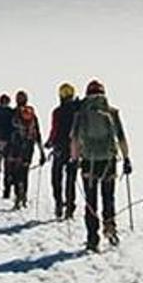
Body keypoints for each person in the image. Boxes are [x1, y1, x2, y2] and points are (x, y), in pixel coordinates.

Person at [69, 80, 130, 252]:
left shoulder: (81, 114)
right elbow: (121, 137)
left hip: (89, 162)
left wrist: (74, 160)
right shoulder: (111, 112)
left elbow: (74, 139)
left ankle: (92, 237)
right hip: (109, 161)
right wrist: (126, 158)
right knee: (108, 197)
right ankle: (110, 228)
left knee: (91, 200)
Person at [2, 90, 43, 209]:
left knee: (15, 172)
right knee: (25, 172)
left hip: (15, 147)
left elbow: (7, 132)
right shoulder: (32, 114)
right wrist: (41, 151)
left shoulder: (13, 114)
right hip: (28, 148)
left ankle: (17, 197)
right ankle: (24, 195)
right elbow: (37, 133)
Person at [46, 83, 81, 219]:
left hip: (60, 148)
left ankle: (59, 203)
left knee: (56, 177)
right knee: (71, 179)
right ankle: (70, 207)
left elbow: (54, 130)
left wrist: (49, 142)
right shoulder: (78, 111)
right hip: (74, 149)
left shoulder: (57, 112)